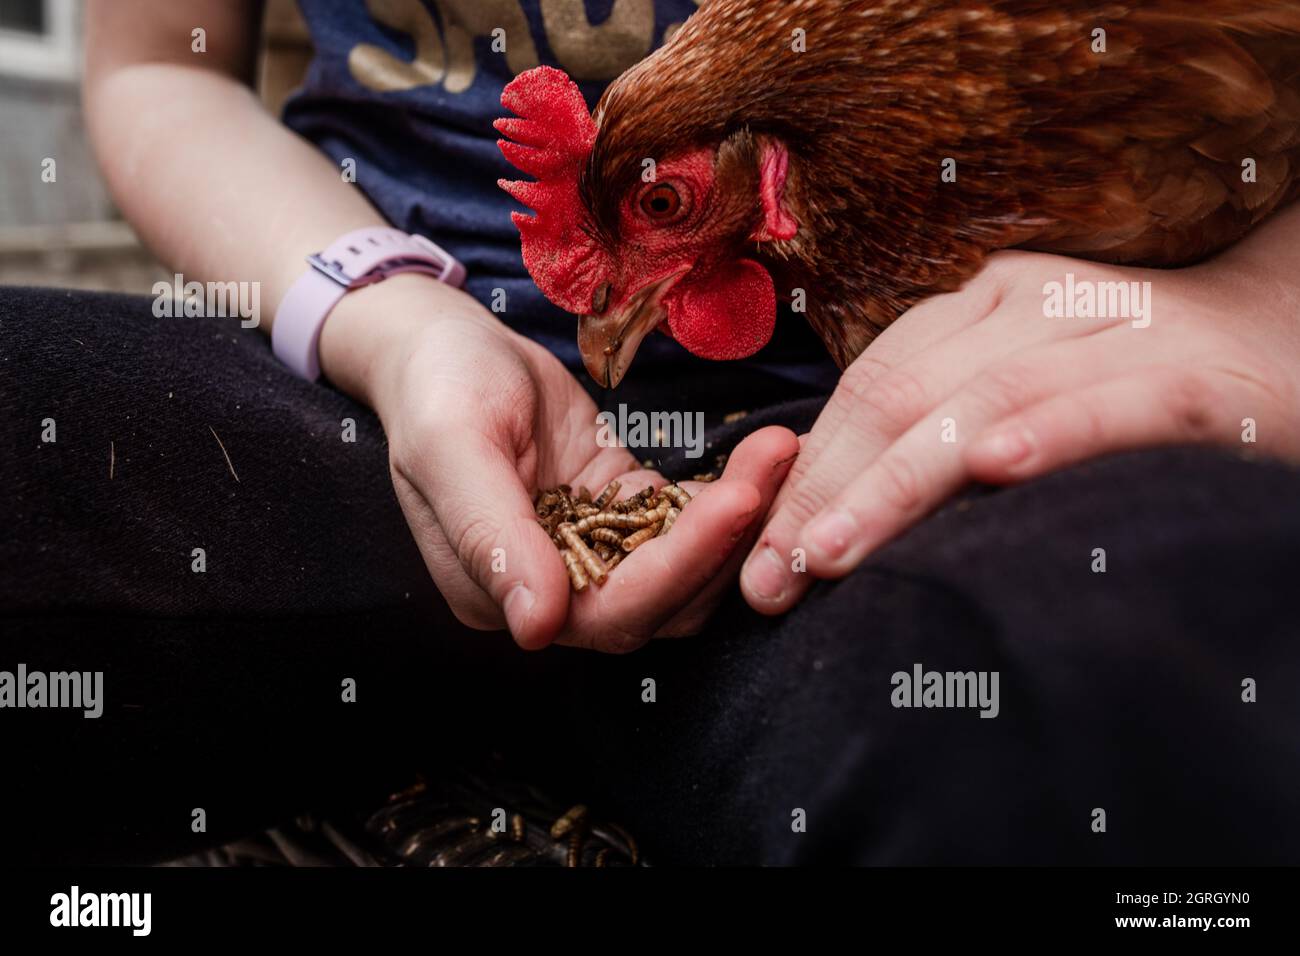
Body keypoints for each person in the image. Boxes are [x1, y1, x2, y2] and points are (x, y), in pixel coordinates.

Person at [2, 0, 1298, 865]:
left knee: (1135, 669)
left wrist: (1266, 309)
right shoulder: (382, 344)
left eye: (665, 207)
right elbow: (153, 63)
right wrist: (383, 317)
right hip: (361, 392)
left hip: (918, 441)